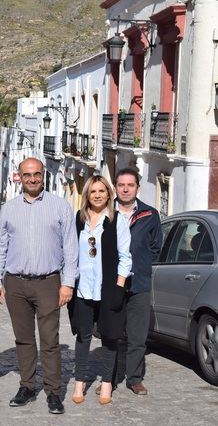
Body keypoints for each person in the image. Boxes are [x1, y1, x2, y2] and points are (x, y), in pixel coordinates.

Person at [0, 157, 78, 415]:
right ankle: (27, 386)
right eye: (27, 175)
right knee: (24, 339)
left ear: (43, 176)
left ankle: (53, 392)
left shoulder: (60, 207)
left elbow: (70, 249)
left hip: (49, 282)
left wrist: (68, 284)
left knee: (50, 340)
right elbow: (0, 247)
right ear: (19, 176)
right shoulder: (8, 209)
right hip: (15, 283)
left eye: (36, 174)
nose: (32, 179)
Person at [69, 175, 132, 405]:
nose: (97, 195)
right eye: (93, 191)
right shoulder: (79, 219)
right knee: (83, 336)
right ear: (87, 195)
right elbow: (72, 253)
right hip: (83, 289)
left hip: (109, 289)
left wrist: (119, 286)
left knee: (109, 336)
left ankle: (106, 383)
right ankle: (80, 381)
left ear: (109, 194)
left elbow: (126, 257)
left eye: (101, 191)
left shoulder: (118, 221)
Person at [112, 168, 162, 396]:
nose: (125, 189)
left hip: (139, 284)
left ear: (137, 188)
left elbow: (155, 248)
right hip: (112, 284)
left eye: (130, 185)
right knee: (111, 332)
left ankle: (134, 378)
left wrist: (140, 266)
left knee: (137, 335)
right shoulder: (105, 212)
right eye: (121, 185)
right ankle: (108, 378)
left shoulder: (150, 215)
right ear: (115, 187)